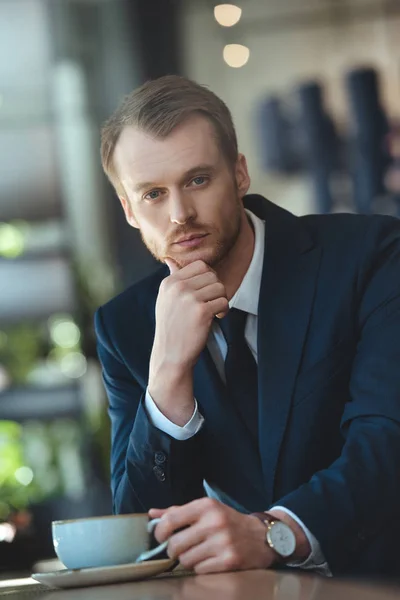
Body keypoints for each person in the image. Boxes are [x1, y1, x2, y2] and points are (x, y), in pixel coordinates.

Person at [95, 75, 400, 579]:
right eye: (152, 194)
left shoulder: (371, 257)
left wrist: (275, 533)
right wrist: (167, 375)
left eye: (197, 179)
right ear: (129, 210)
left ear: (239, 174)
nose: (180, 215)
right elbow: (138, 530)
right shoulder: (124, 325)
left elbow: (387, 437)